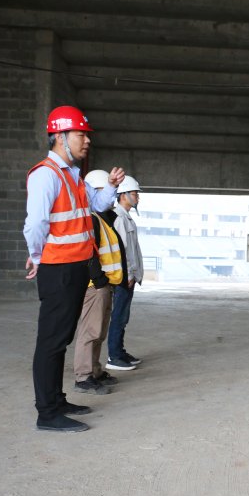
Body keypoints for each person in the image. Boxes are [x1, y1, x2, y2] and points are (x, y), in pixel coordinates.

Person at [23, 105, 125, 432]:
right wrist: (36, 256)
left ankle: (57, 400)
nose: (86, 141)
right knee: (52, 341)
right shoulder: (46, 174)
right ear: (61, 137)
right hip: (59, 269)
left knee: (62, 337)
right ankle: (47, 413)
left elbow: (95, 208)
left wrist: (109, 186)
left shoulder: (73, 176)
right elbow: (35, 224)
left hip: (76, 267)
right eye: (81, 134)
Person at [71, 169, 126, 395]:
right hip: (96, 287)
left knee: (99, 332)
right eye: (105, 191)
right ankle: (83, 377)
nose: (111, 198)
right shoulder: (92, 220)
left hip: (105, 285)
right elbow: (88, 254)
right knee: (90, 332)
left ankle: (95, 371)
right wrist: (99, 280)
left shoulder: (104, 219)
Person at [107, 176, 145, 371]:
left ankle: (120, 351)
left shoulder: (127, 217)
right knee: (119, 315)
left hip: (129, 276)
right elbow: (122, 251)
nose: (137, 197)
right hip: (123, 277)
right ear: (122, 195)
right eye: (134, 193)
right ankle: (114, 356)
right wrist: (129, 274)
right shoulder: (119, 218)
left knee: (123, 315)